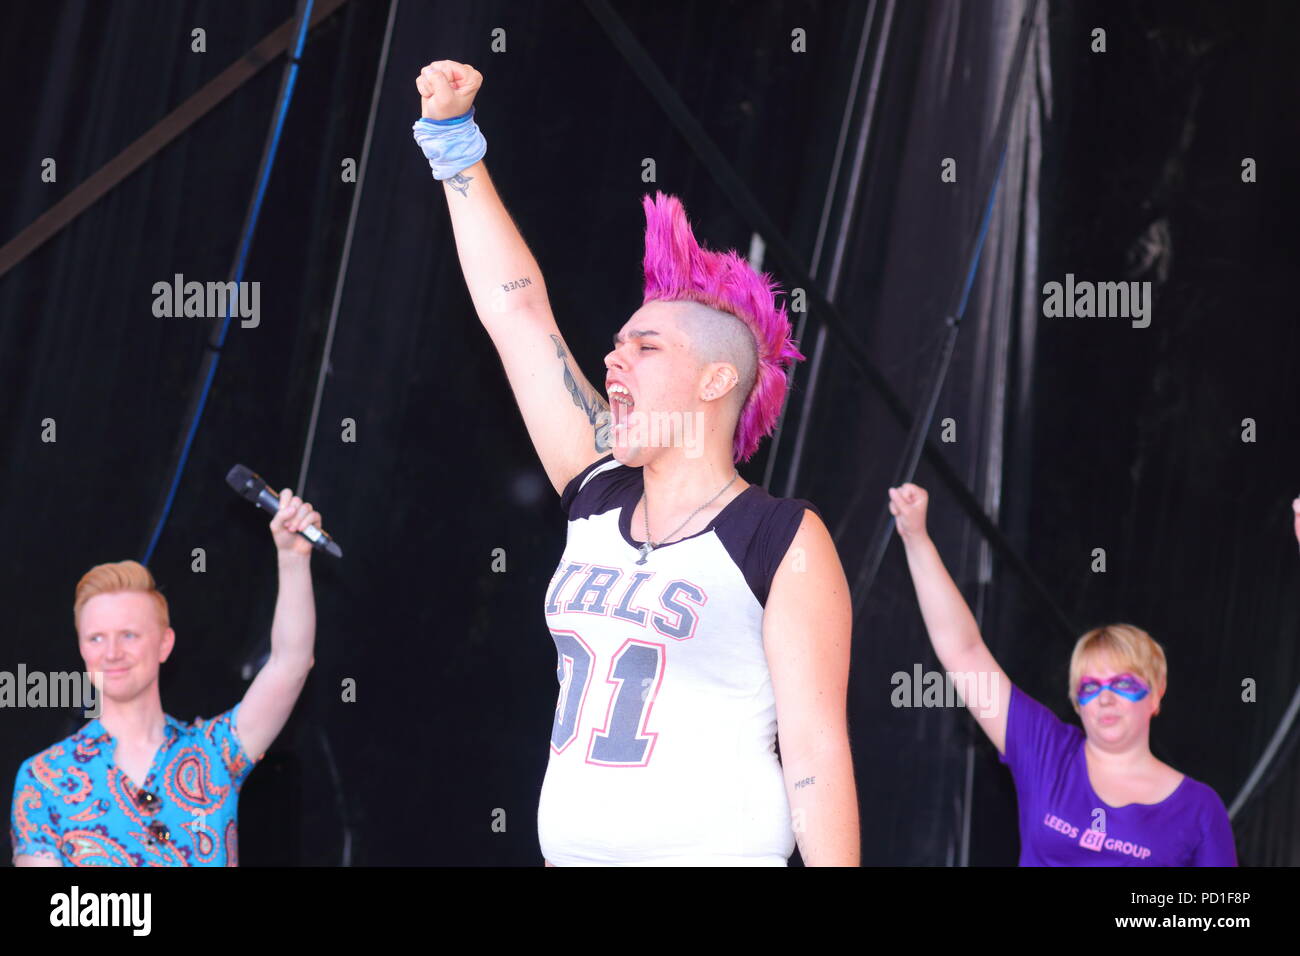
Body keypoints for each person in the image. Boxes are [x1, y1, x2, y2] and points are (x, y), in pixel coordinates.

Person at [412, 59, 858, 865]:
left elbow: (817, 758)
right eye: (616, 343)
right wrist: (454, 143)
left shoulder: (779, 539)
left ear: (718, 378)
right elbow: (517, 313)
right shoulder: (596, 494)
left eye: (645, 346)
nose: (613, 360)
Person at [888, 482, 1237, 865]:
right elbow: (964, 652)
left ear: (1155, 693)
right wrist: (916, 537)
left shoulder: (1200, 809)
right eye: (1090, 686)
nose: (1105, 697)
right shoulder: (1046, 750)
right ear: (1076, 702)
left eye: (1123, 683)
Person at [10, 489, 322, 866]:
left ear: (164, 644)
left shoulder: (213, 754)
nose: (112, 652)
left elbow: (290, 663)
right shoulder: (45, 778)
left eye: (129, 635)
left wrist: (293, 558)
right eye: (96, 638)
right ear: (82, 649)